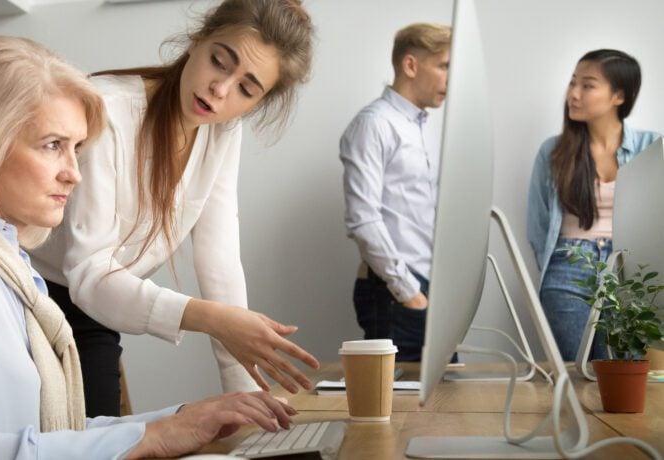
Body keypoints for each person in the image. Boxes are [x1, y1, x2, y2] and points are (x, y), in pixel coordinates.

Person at [0, 36, 297, 460]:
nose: (74, 172)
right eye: (53, 145)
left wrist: (187, 418)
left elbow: (54, 432)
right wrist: (152, 437)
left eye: (76, 148)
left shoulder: (9, 267)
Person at [30, 0, 319, 416]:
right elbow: (89, 272)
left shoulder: (221, 131)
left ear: (258, 103)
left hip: (98, 306)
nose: (220, 89)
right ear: (197, 41)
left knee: (103, 434)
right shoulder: (108, 112)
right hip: (34, 292)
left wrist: (247, 394)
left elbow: (218, 259)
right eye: (220, 62)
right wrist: (211, 318)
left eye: (246, 88)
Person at [527, 49, 661, 362]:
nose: (573, 93)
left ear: (618, 96)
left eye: (588, 85)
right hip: (568, 268)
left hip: (631, 269)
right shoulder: (553, 151)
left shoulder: (651, 147)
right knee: (580, 371)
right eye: (573, 83)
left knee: (628, 373)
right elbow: (538, 225)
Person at [338, 23, 451, 362]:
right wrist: (409, 293)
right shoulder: (374, 124)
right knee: (399, 411)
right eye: (445, 66)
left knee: (444, 404)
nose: (451, 79)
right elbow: (363, 220)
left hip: (426, 286)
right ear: (411, 65)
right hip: (396, 290)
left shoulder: (423, 129)